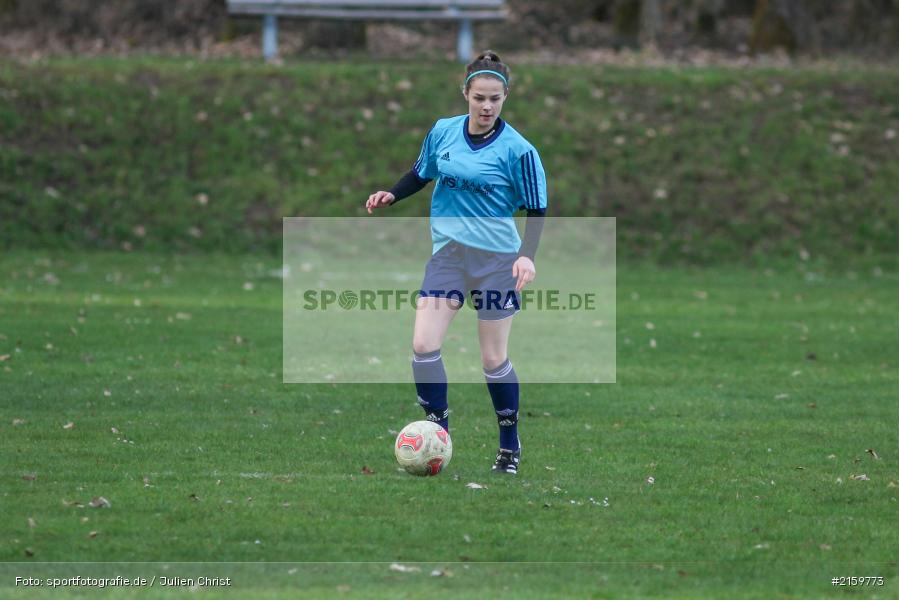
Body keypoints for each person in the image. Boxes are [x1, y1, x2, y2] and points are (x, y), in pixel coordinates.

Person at [365, 51, 548, 474]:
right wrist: (393, 193)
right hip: (448, 256)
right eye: (480, 97)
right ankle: (437, 434)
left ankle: (508, 446)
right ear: (465, 93)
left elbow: (537, 207)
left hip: (497, 262)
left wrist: (527, 256)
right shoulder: (443, 132)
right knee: (424, 346)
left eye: (495, 99)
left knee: (492, 360)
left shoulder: (519, 150)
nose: (487, 106)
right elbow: (421, 172)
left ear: (505, 98)